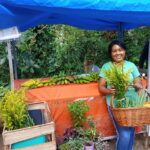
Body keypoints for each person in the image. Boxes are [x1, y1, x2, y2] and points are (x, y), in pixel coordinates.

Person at [98, 40, 143, 150]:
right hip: (115, 105)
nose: (118, 53)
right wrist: (109, 91)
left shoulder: (131, 65)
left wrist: (137, 85)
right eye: (114, 51)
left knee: (131, 131)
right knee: (125, 134)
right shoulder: (106, 67)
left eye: (120, 50)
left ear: (124, 51)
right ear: (110, 53)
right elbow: (101, 87)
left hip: (132, 104)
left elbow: (138, 82)